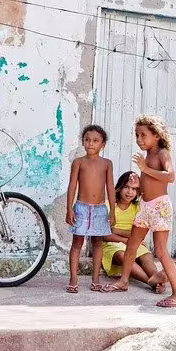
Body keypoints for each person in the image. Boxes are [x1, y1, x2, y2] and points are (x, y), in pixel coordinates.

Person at [101, 115, 176, 308]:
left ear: (156, 136)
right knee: (132, 244)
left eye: (143, 135)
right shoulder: (148, 155)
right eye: (137, 135)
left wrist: (144, 169)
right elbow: (148, 180)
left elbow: (170, 176)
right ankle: (123, 282)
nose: (139, 139)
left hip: (159, 207)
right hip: (145, 207)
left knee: (161, 250)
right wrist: (140, 174)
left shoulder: (162, 153)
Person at [66, 125, 116, 293]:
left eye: (95, 141)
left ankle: (95, 279)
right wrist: (69, 209)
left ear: (103, 144)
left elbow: (110, 188)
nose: (90, 144)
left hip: (100, 209)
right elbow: (72, 186)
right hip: (81, 208)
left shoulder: (107, 164)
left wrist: (113, 211)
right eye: (87, 140)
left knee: (97, 244)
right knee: (77, 243)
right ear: (83, 142)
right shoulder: (78, 162)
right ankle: (73, 279)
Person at [102, 171, 166, 294]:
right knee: (122, 254)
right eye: (126, 187)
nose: (130, 192)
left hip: (132, 243)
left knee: (146, 256)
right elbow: (105, 235)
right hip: (112, 245)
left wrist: (116, 230)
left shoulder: (138, 208)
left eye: (134, 189)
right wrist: (128, 238)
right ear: (119, 187)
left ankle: (157, 279)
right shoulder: (109, 205)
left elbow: (140, 235)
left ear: (138, 192)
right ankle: (150, 282)